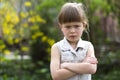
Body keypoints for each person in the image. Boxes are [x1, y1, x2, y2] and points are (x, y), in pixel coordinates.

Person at [50, 2, 98, 80]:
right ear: (61, 27)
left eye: (76, 26)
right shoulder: (56, 48)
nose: (72, 31)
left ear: (84, 26)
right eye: (68, 27)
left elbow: (92, 68)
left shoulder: (88, 46)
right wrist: (83, 65)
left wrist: (66, 65)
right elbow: (56, 76)